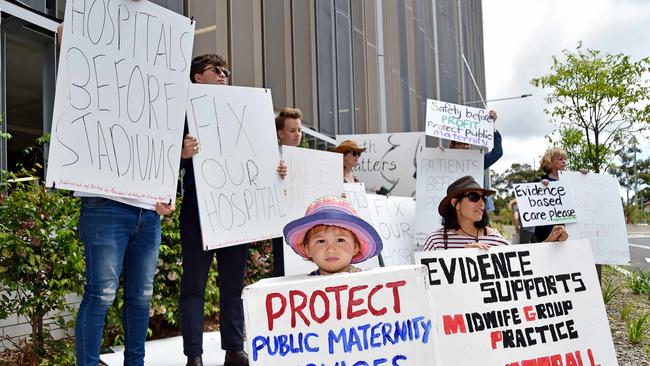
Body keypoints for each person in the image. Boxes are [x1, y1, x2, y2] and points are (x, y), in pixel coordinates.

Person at [57, 5, 177, 365]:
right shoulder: (98, 70)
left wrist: (164, 194)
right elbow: (67, 35)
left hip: (147, 212)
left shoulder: (153, 85)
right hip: (104, 204)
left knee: (142, 295)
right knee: (101, 294)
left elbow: (161, 141)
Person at [178, 54, 248, 366]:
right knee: (194, 284)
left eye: (226, 71)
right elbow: (157, 162)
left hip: (234, 207)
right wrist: (181, 154)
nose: (223, 75)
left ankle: (234, 349)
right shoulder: (180, 114)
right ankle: (194, 356)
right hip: (197, 209)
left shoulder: (242, 113)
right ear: (197, 77)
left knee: (233, 284)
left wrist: (278, 168)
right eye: (216, 71)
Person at [422, 176, 568, 251]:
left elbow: (523, 264)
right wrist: (462, 258)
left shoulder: (494, 237)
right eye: (474, 197)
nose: (482, 203)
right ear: (456, 204)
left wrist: (551, 241)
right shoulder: (435, 241)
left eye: (483, 198)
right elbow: (424, 286)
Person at [282, 196, 383, 275]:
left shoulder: (368, 283)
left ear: (355, 247)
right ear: (308, 249)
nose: (330, 250)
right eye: (321, 241)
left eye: (340, 240)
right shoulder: (304, 289)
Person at [448, 110, 503, 212]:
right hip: (452, 210)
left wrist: (491, 127)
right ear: (452, 145)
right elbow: (418, 174)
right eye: (461, 143)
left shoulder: (477, 162)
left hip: (477, 210)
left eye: (468, 143)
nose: (466, 146)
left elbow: (497, 153)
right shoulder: (443, 161)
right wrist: (436, 155)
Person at [271, 107, 304, 277]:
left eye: (299, 130)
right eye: (292, 130)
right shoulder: (271, 157)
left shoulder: (308, 158)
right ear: (280, 133)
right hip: (281, 221)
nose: (297, 134)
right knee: (283, 267)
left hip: (302, 219)